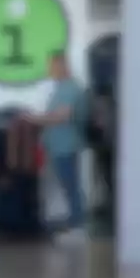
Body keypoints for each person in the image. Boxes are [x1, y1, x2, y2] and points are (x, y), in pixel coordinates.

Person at [32, 51, 88, 242]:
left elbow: (62, 116)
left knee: (71, 185)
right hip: (56, 146)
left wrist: (36, 119)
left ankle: (78, 228)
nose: (50, 71)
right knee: (66, 185)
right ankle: (73, 222)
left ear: (62, 65)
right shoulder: (60, 88)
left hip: (66, 146)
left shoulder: (70, 88)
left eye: (52, 66)